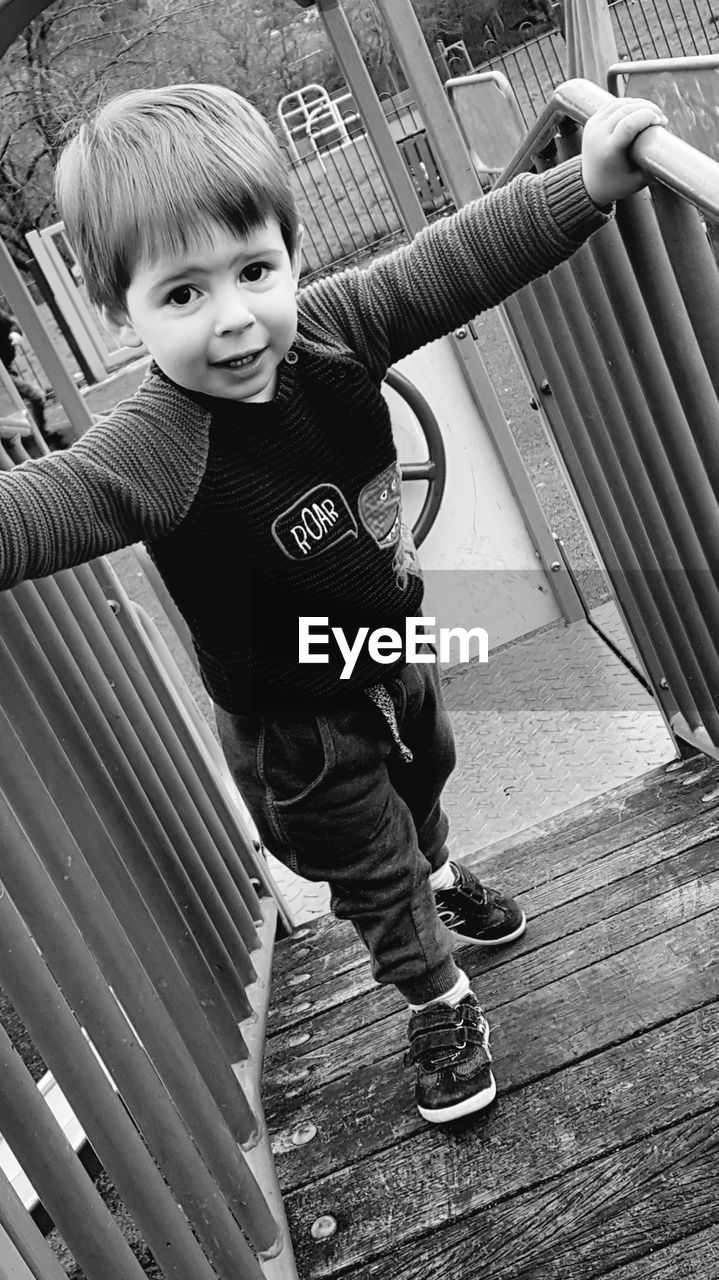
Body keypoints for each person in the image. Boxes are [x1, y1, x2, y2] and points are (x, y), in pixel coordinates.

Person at [0, 83, 665, 1124]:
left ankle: (437, 868)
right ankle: (434, 993)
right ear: (114, 306)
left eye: (254, 271)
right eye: (181, 295)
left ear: (290, 255)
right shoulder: (158, 444)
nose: (232, 320)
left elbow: (448, 261)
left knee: (426, 776)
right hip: (296, 717)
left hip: (389, 651)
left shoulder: (331, 330)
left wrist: (582, 185)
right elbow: (47, 504)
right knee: (363, 857)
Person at [0, 306, 49, 440]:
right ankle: (38, 437)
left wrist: (14, 333)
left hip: (6, 368)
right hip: (2, 373)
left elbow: (11, 324)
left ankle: (38, 435)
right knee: (35, 395)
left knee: (33, 397)